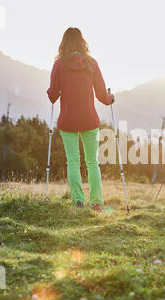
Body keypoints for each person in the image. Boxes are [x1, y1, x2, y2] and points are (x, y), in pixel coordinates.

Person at [47, 27, 114, 212]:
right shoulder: (92, 63)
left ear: (64, 43)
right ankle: (97, 202)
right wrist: (111, 99)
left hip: (68, 120)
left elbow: (53, 95)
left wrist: (51, 92)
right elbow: (102, 95)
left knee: (73, 161)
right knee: (92, 162)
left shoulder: (59, 65)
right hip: (89, 120)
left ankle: (78, 200)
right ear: (82, 42)